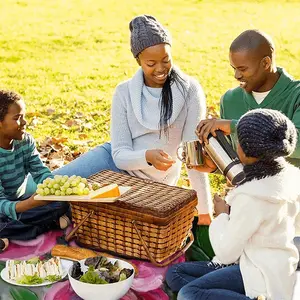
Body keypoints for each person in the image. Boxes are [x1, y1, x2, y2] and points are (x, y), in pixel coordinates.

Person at [53, 15, 213, 224]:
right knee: (49, 188)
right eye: (150, 63)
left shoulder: (190, 90)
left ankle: (63, 217)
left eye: (166, 60)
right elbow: (119, 154)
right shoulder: (125, 92)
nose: (160, 69)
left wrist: (204, 210)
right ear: (138, 60)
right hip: (112, 163)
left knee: (72, 207)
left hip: (149, 185)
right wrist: (146, 156)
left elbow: (193, 157)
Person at [166, 108, 300, 300]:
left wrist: (222, 215)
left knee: (189, 293)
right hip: (274, 266)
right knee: (175, 274)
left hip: (258, 273)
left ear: (244, 150)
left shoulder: (251, 197)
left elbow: (226, 252)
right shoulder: (291, 177)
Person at [195, 29, 300, 171]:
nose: (236, 75)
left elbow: (296, 144)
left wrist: (235, 127)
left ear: (266, 63)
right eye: (234, 68)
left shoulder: (296, 95)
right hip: (249, 189)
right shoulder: (230, 99)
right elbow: (238, 161)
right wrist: (214, 166)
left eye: (242, 69)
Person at [0, 90, 70, 249]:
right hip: (5, 207)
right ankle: (41, 225)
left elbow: (40, 172)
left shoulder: (25, 141)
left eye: (23, 116)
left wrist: (55, 189)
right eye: (17, 118)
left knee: (63, 203)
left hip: (20, 201)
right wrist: (30, 204)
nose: (24, 122)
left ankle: (11, 232)